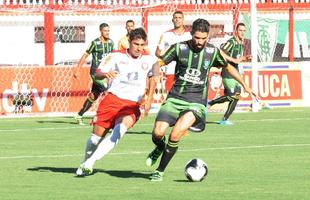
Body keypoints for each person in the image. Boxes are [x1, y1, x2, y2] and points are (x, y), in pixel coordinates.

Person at [145, 19, 258, 181]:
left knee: (175, 134)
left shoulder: (212, 51)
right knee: (157, 133)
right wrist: (156, 71)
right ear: (191, 34)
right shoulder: (180, 48)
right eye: (197, 38)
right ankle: (159, 148)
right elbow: (158, 63)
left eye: (203, 38)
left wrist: (245, 85)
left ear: (207, 37)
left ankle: (160, 171)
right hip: (175, 98)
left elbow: (228, 66)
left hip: (196, 102)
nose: (200, 42)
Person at [76, 28, 157, 176]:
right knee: (95, 140)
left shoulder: (149, 59)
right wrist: (105, 74)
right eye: (136, 44)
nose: (139, 48)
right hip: (111, 101)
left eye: (142, 44)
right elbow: (97, 73)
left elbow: (153, 77)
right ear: (129, 42)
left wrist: (149, 98)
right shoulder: (115, 56)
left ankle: (90, 162)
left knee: (119, 131)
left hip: (131, 105)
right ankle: (85, 162)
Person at [208, 22, 251, 125]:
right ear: (236, 31)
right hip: (228, 72)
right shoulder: (231, 41)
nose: (242, 32)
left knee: (236, 96)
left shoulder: (241, 42)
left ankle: (225, 119)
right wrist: (233, 60)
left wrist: (244, 58)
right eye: (240, 30)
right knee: (233, 96)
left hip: (235, 73)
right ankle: (210, 103)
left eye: (244, 31)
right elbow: (221, 52)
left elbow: (237, 58)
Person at [74, 23, 114, 125]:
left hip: (105, 73)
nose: (107, 32)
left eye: (108, 30)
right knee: (107, 92)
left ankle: (79, 115)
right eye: (105, 31)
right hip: (95, 73)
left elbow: (112, 57)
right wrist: (77, 69)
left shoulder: (110, 43)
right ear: (101, 31)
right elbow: (85, 55)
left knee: (94, 95)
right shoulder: (95, 43)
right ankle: (98, 117)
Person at [155, 10, 192, 92]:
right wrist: (169, 58)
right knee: (171, 95)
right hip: (170, 71)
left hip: (186, 71)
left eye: (180, 18)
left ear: (183, 20)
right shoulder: (165, 35)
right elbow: (157, 52)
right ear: (172, 20)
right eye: (175, 18)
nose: (177, 20)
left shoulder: (190, 35)